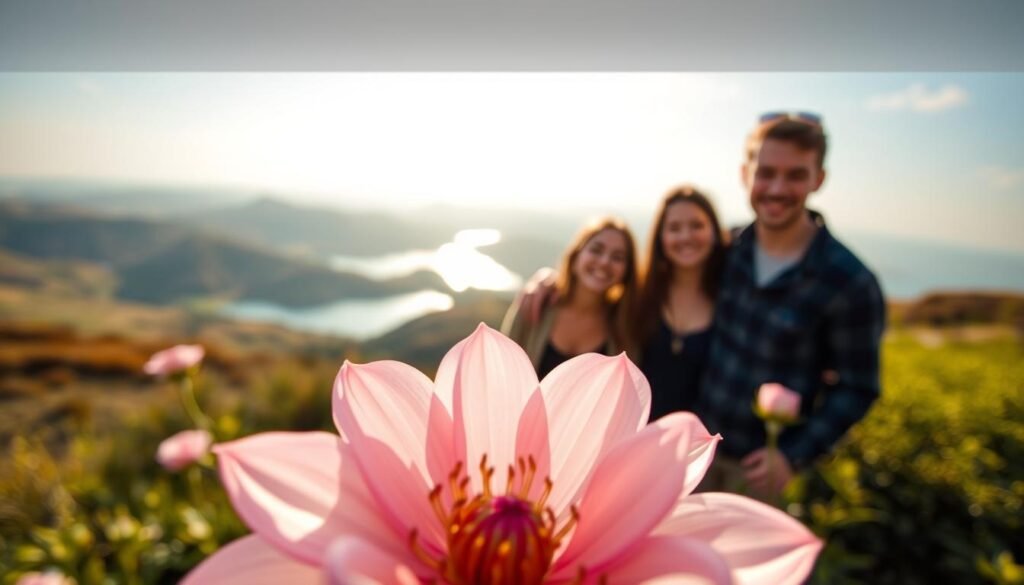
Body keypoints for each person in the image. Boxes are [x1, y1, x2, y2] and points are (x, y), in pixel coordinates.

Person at [694, 112, 886, 499]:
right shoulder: (726, 250)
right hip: (693, 451)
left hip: (757, 473)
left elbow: (857, 387)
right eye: (766, 172)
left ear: (819, 179)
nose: (777, 188)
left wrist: (792, 456)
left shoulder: (850, 281)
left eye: (795, 175)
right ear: (745, 173)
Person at [501, 216, 639, 378]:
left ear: (626, 272)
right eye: (596, 250)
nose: (604, 262)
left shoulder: (626, 329)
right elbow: (502, 369)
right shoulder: (536, 304)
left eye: (617, 257)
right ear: (575, 256)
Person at [634, 185, 728, 421]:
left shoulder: (732, 298)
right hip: (634, 439)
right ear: (661, 238)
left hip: (699, 448)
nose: (686, 237)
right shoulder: (640, 294)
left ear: (714, 231)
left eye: (696, 226)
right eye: (674, 228)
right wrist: (549, 282)